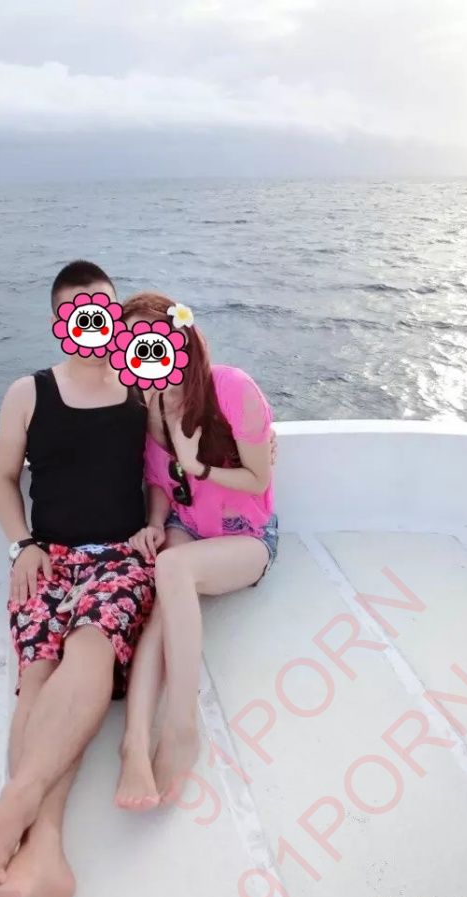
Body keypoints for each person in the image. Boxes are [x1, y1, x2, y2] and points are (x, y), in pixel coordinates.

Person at [0, 261, 156, 897]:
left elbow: (165, 472)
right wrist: (23, 545)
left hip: (120, 558)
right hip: (47, 558)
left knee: (91, 645)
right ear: (59, 323)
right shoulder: (28, 393)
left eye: (105, 309)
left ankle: (16, 810)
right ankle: (45, 854)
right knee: (38, 671)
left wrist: (155, 526)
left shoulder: (140, 388)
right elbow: (3, 478)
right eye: (80, 310)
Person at [114, 292, 278, 809]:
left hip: (247, 537)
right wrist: (154, 523)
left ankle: (181, 727)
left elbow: (258, 479)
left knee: (173, 568)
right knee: (160, 608)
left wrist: (198, 465)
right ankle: (134, 741)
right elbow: (160, 483)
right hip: (186, 525)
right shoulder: (147, 409)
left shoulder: (231, 389)